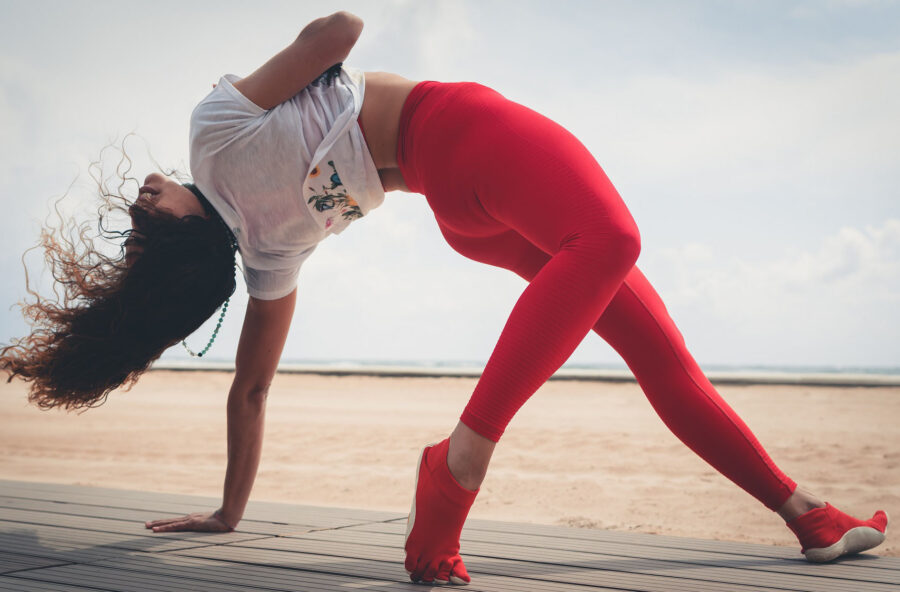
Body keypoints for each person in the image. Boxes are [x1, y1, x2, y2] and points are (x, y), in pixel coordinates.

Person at [0, 11, 888, 587]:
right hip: (460, 134)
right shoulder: (211, 135)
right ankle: (457, 463)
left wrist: (232, 513)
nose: (147, 186)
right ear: (182, 230)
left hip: (463, 214)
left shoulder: (269, 260)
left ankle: (803, 513)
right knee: (615, 241)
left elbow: (252, 390)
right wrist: (306, 68)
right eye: (148, 205)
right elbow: (340, 29)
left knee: (657, 351)